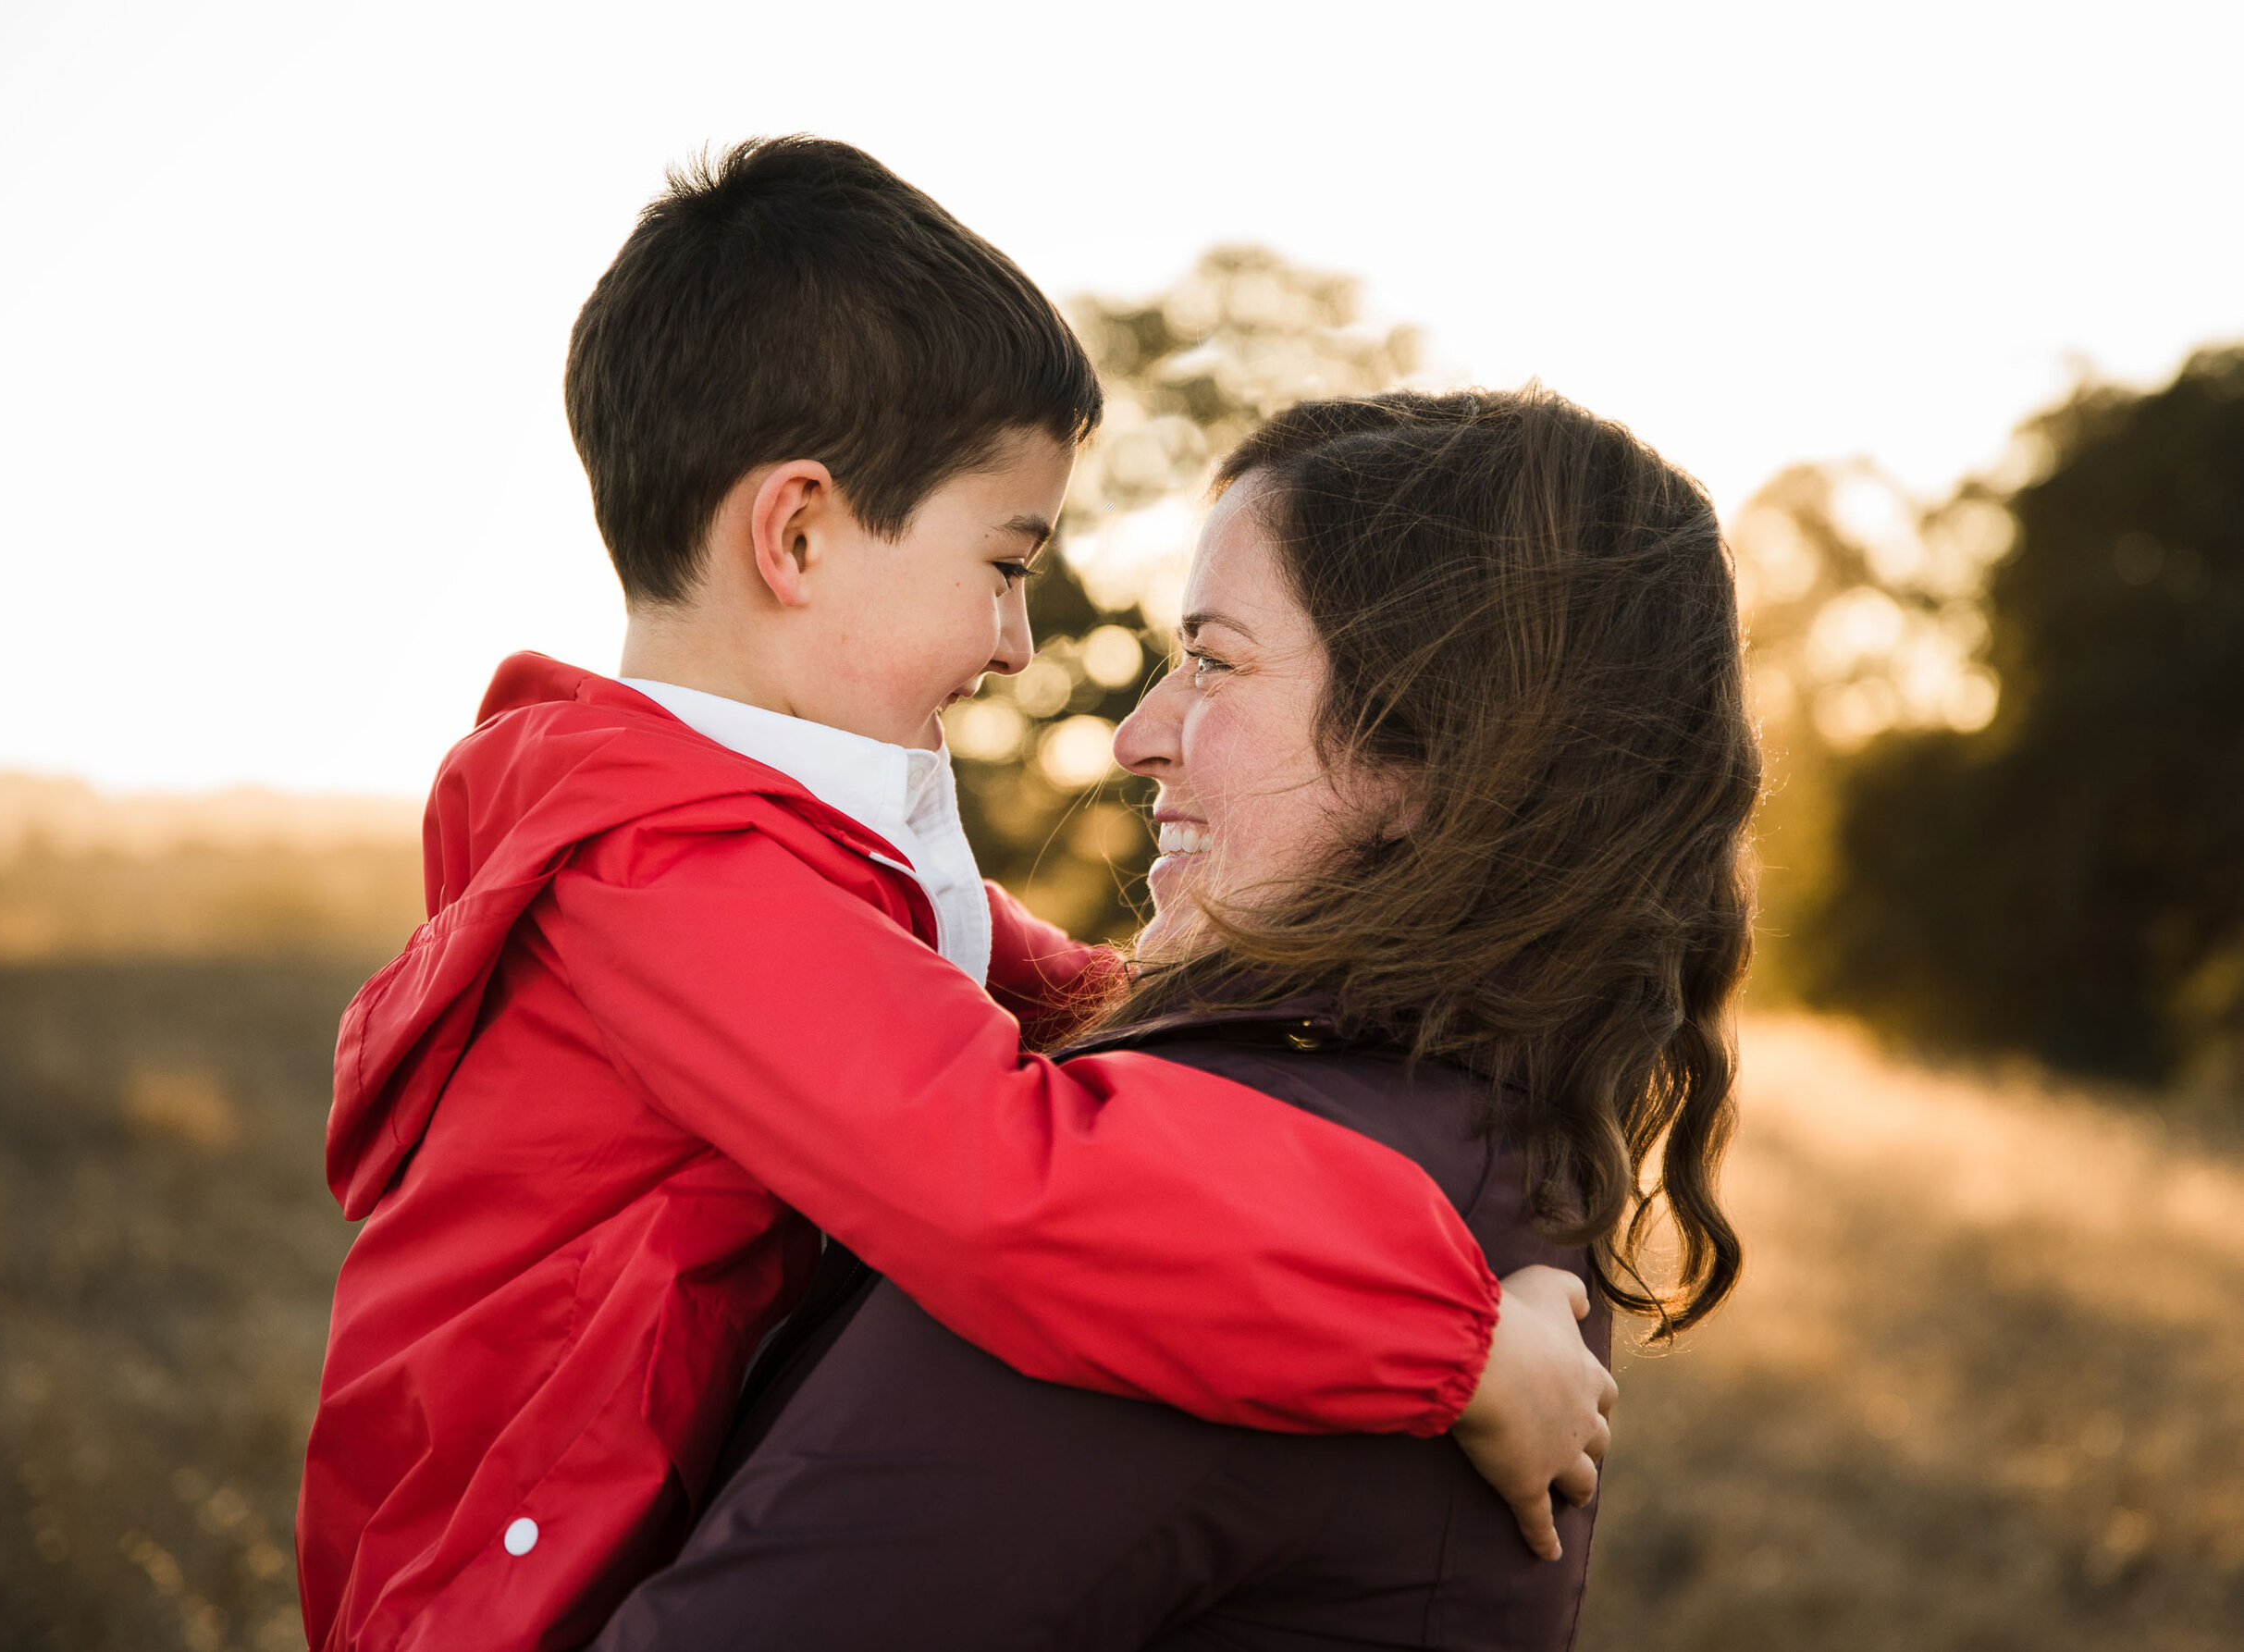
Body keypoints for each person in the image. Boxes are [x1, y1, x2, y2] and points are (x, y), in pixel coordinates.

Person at [295, 142, 1614, 1652]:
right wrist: (1454, 1344)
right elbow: (1010, 1178)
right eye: (1004, 563)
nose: (1016, 645)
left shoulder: (774, 844)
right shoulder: (669, 876)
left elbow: (1053, 987)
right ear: (795, 534)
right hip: (489, 1597)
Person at [589, 385, 1758, 1651]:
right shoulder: (1476, 1139)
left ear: (1437, 751)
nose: (1135, 735)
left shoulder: (1192, 1230)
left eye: (1212, 657)